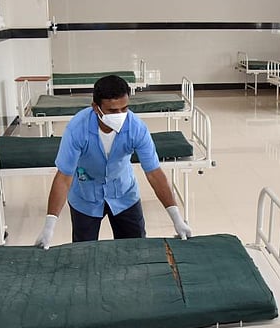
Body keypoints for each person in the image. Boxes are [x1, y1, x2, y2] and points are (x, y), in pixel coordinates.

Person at [34, 74, 192, 248]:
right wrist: (49, 227)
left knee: (135, 250)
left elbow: (154, 173)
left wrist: (176, 218)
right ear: (96, 107)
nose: (120, 115)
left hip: (124, 194)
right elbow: (64, 178)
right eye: (112, 111)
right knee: (83, 253)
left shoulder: (136, 128)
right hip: (86, 197)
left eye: (124, 108)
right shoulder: (77, 129)